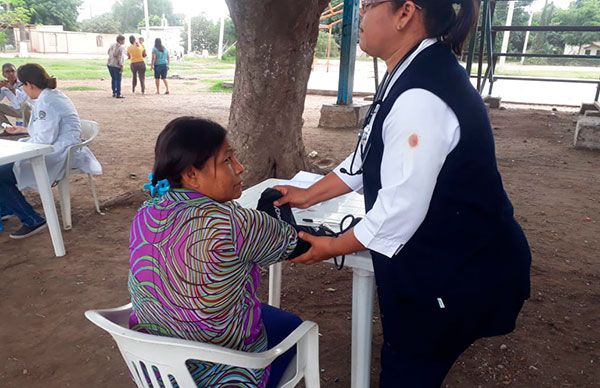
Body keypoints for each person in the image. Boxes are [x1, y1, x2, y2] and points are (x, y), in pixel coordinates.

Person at [274, 0, 531, 386]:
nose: (358, 15)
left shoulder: (421, 96)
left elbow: (399, 209)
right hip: (449, 260)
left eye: (367, 4)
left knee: (410, 366)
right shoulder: (411, 69)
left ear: (405, 13)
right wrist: (308, 194)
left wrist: (332, 246)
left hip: (461, 269)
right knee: (408, 358)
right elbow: (366, 157)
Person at [128, 117, 310, 387]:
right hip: (226, 373)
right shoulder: (234, 223)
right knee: (295, 327)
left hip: (159, 367)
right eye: (227, 160)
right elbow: (299, 244)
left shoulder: (146, 213)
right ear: (191, 174)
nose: (239, 167)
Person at [0, 64, 102, 238]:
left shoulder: (47, 102)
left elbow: (44, 139)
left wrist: (24, 140)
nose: (23, 90)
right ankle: (8, 207)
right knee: (6, 168)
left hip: (59, 153)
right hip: (56, 146)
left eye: (23, 86)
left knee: (2, 173)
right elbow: (46, 131)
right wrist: (22, 131)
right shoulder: (50, 96)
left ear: (30, 84)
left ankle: (32, 219)